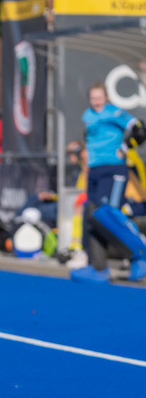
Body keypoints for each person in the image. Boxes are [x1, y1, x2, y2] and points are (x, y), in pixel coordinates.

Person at [70, 82, 145, 282]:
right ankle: (99, 268)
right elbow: (91, 137)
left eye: (99, 97)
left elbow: (139, 129)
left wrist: (126, 146)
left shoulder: (115, 113)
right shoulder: (87, 115)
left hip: (114, 169)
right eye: (93, 98)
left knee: (107, 213)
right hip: (94, 170)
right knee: (92, 215)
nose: (96, 101)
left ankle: (140, 253)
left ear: (106, 97)